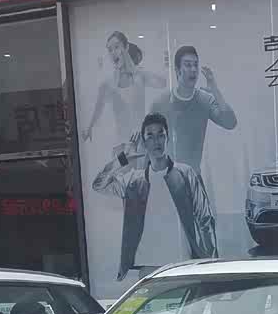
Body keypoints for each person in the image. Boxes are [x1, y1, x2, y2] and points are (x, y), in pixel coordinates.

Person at [92, 112, 217, 282]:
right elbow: (99, 185)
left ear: (167, 138)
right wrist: (122, 159)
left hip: (182, 265)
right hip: (149, 270)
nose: (156, 141)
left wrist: (212, 266)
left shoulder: (186, 173)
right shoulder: (133, 180)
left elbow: (205, 219)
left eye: (160, 135)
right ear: (144, 143)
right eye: (150, 136)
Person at [151, 45, 237, 174]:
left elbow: (230, 123)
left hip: (194, 176)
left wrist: (215, 90)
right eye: (188, 65)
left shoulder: (205, 100)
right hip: (165, 176)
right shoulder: (161, 103)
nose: (193, 69)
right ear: (177, 70)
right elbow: (148, 145)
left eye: (195, 65)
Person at [82, 32, 165, 145]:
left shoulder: (140, 76)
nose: (113, 53)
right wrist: (89, 128)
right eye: (110, 50)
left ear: (126, 48)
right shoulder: (107, 84)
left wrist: (135, 69)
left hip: (141, 142)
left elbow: (163, 83)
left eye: (117, 47)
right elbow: (98, 110)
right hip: (120, 143)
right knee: (121, 156)